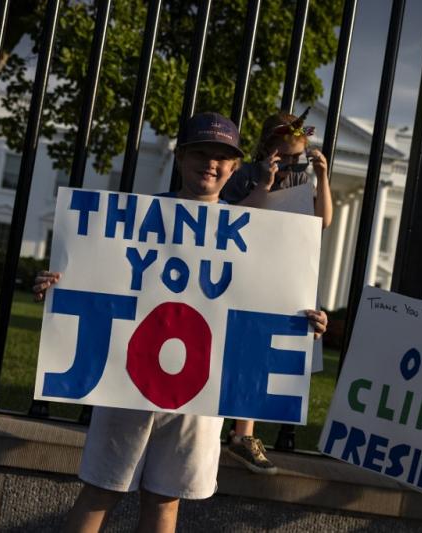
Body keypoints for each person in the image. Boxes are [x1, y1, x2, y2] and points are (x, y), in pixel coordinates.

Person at [32, 111, 328, 533]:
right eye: (200, 153)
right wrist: (58, 287)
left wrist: (305, 322)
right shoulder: (133, 217)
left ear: (235, 167)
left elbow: (267, 299)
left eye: (221, 157)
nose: (210, 163)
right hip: (126, 384)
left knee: (165, 502)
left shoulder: (253, 230)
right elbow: (95, 276)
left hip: (202, 391)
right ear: (180, 158)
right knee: (101, 491)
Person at [220, 108, 333, 475]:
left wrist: (322, 177)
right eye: (283, 156)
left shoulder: (301, 179)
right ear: (267, 150)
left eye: (295, 157)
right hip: (244, 273)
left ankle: (243, 433)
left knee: (261, 354)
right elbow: (229, 218)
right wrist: (264, 185)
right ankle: (227, 428)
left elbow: (322, 221)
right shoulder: (246, 176)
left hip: (282, 274)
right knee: (234, 349)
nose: (288, 164)